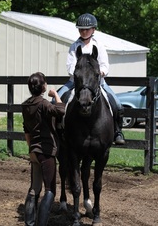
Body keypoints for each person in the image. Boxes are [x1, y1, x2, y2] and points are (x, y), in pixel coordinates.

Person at [57, 13, 125, 145]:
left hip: (97, 82)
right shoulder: (74, 46)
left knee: (118, 104)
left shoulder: (99, 46)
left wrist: (101, 72)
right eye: (81, 29)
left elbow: (105, 64)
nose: (83, 31)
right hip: (75, 82)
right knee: (56, 100)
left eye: (86, 29)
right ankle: (59, 129)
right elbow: (70, 66)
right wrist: (80, 74)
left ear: (93, 29)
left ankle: (117, 131)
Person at [21, 72, 65, 226]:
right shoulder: (44, 103)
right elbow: (60, 111)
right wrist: (57, 95)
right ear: (43, 86)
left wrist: (32, 148)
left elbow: (26, 130)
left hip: (34, 151)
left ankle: (30, 223)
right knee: (50, 190)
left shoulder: (25, 105)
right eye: (45, 82)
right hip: (46, 152)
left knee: (34, 189)